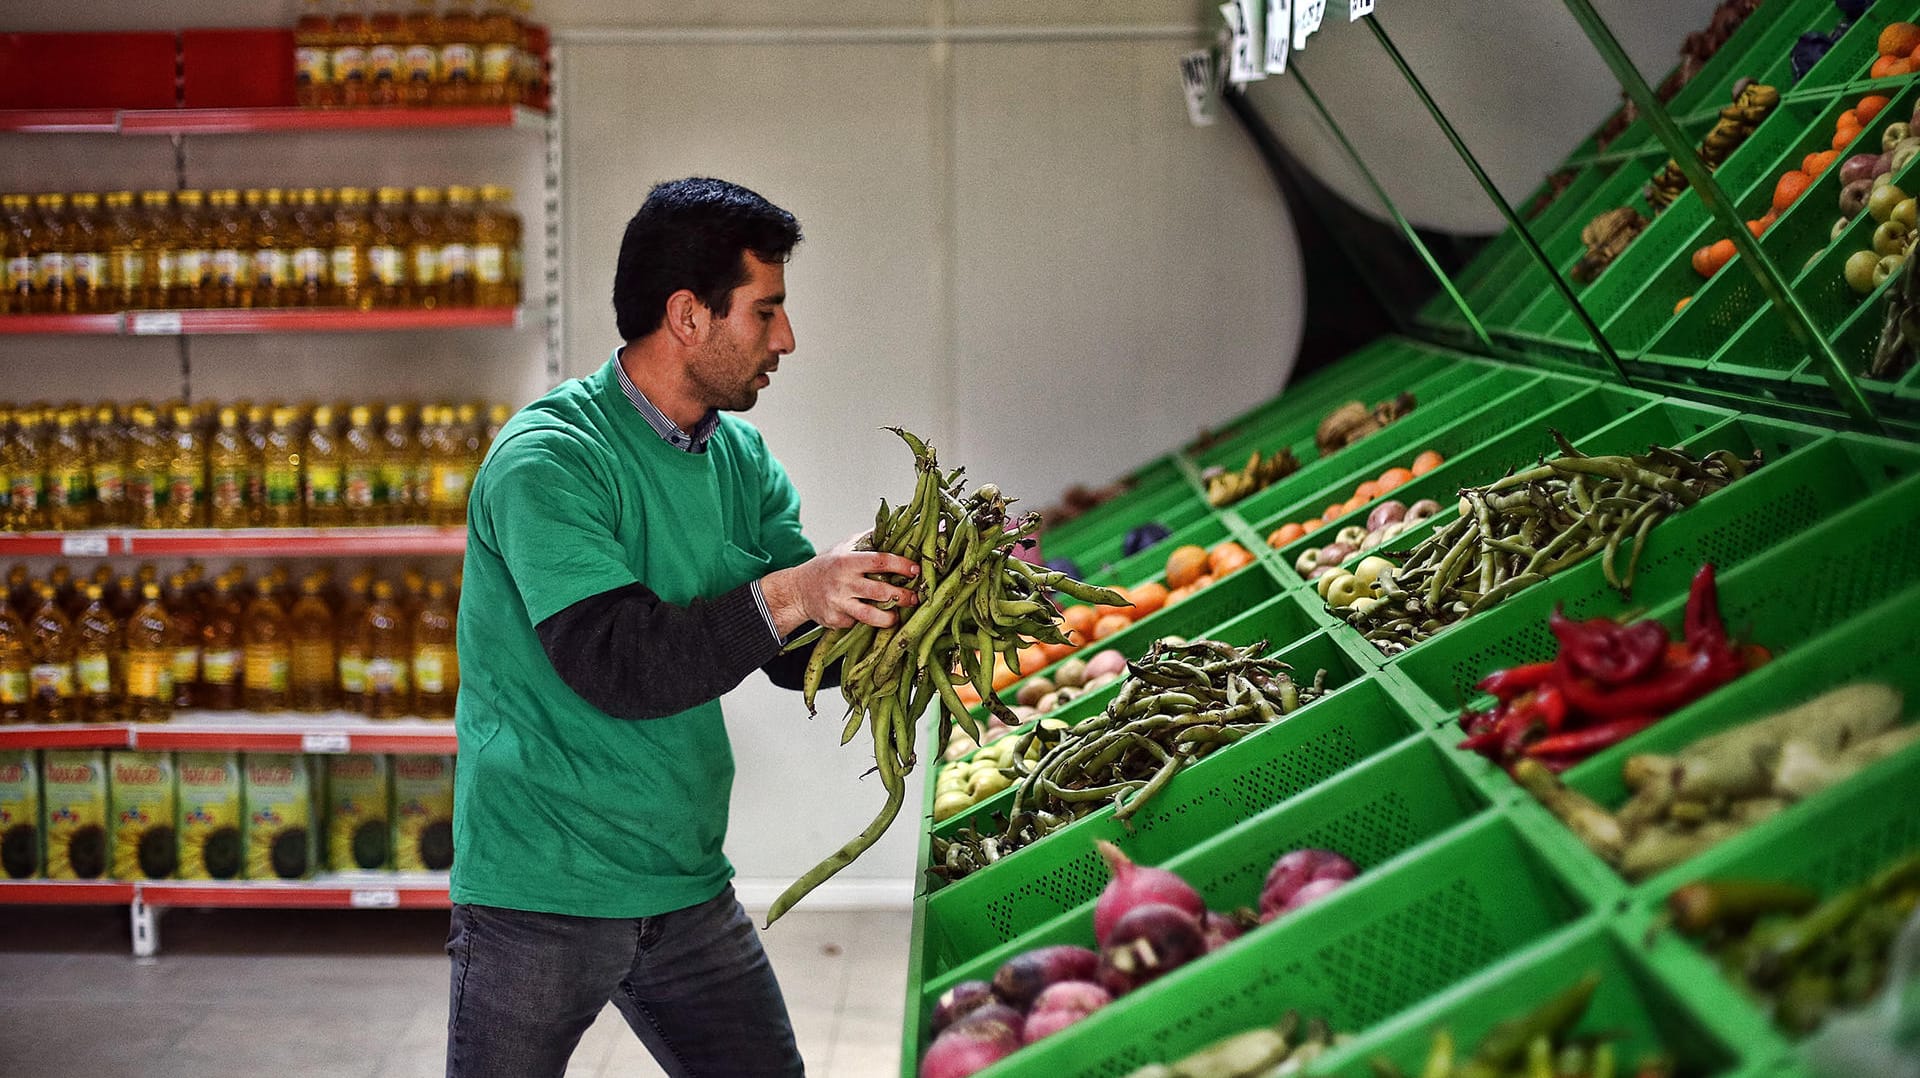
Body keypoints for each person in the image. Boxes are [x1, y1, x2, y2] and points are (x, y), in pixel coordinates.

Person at [445, 176, 920, 1078]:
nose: (786, 339)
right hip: (543, 885)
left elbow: (792, 654)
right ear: (689, 315)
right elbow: (619, 664)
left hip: (681, 878)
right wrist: (794, 593)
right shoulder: (549, 462)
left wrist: (897, 609)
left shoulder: (737, 457)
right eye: (766, 311)